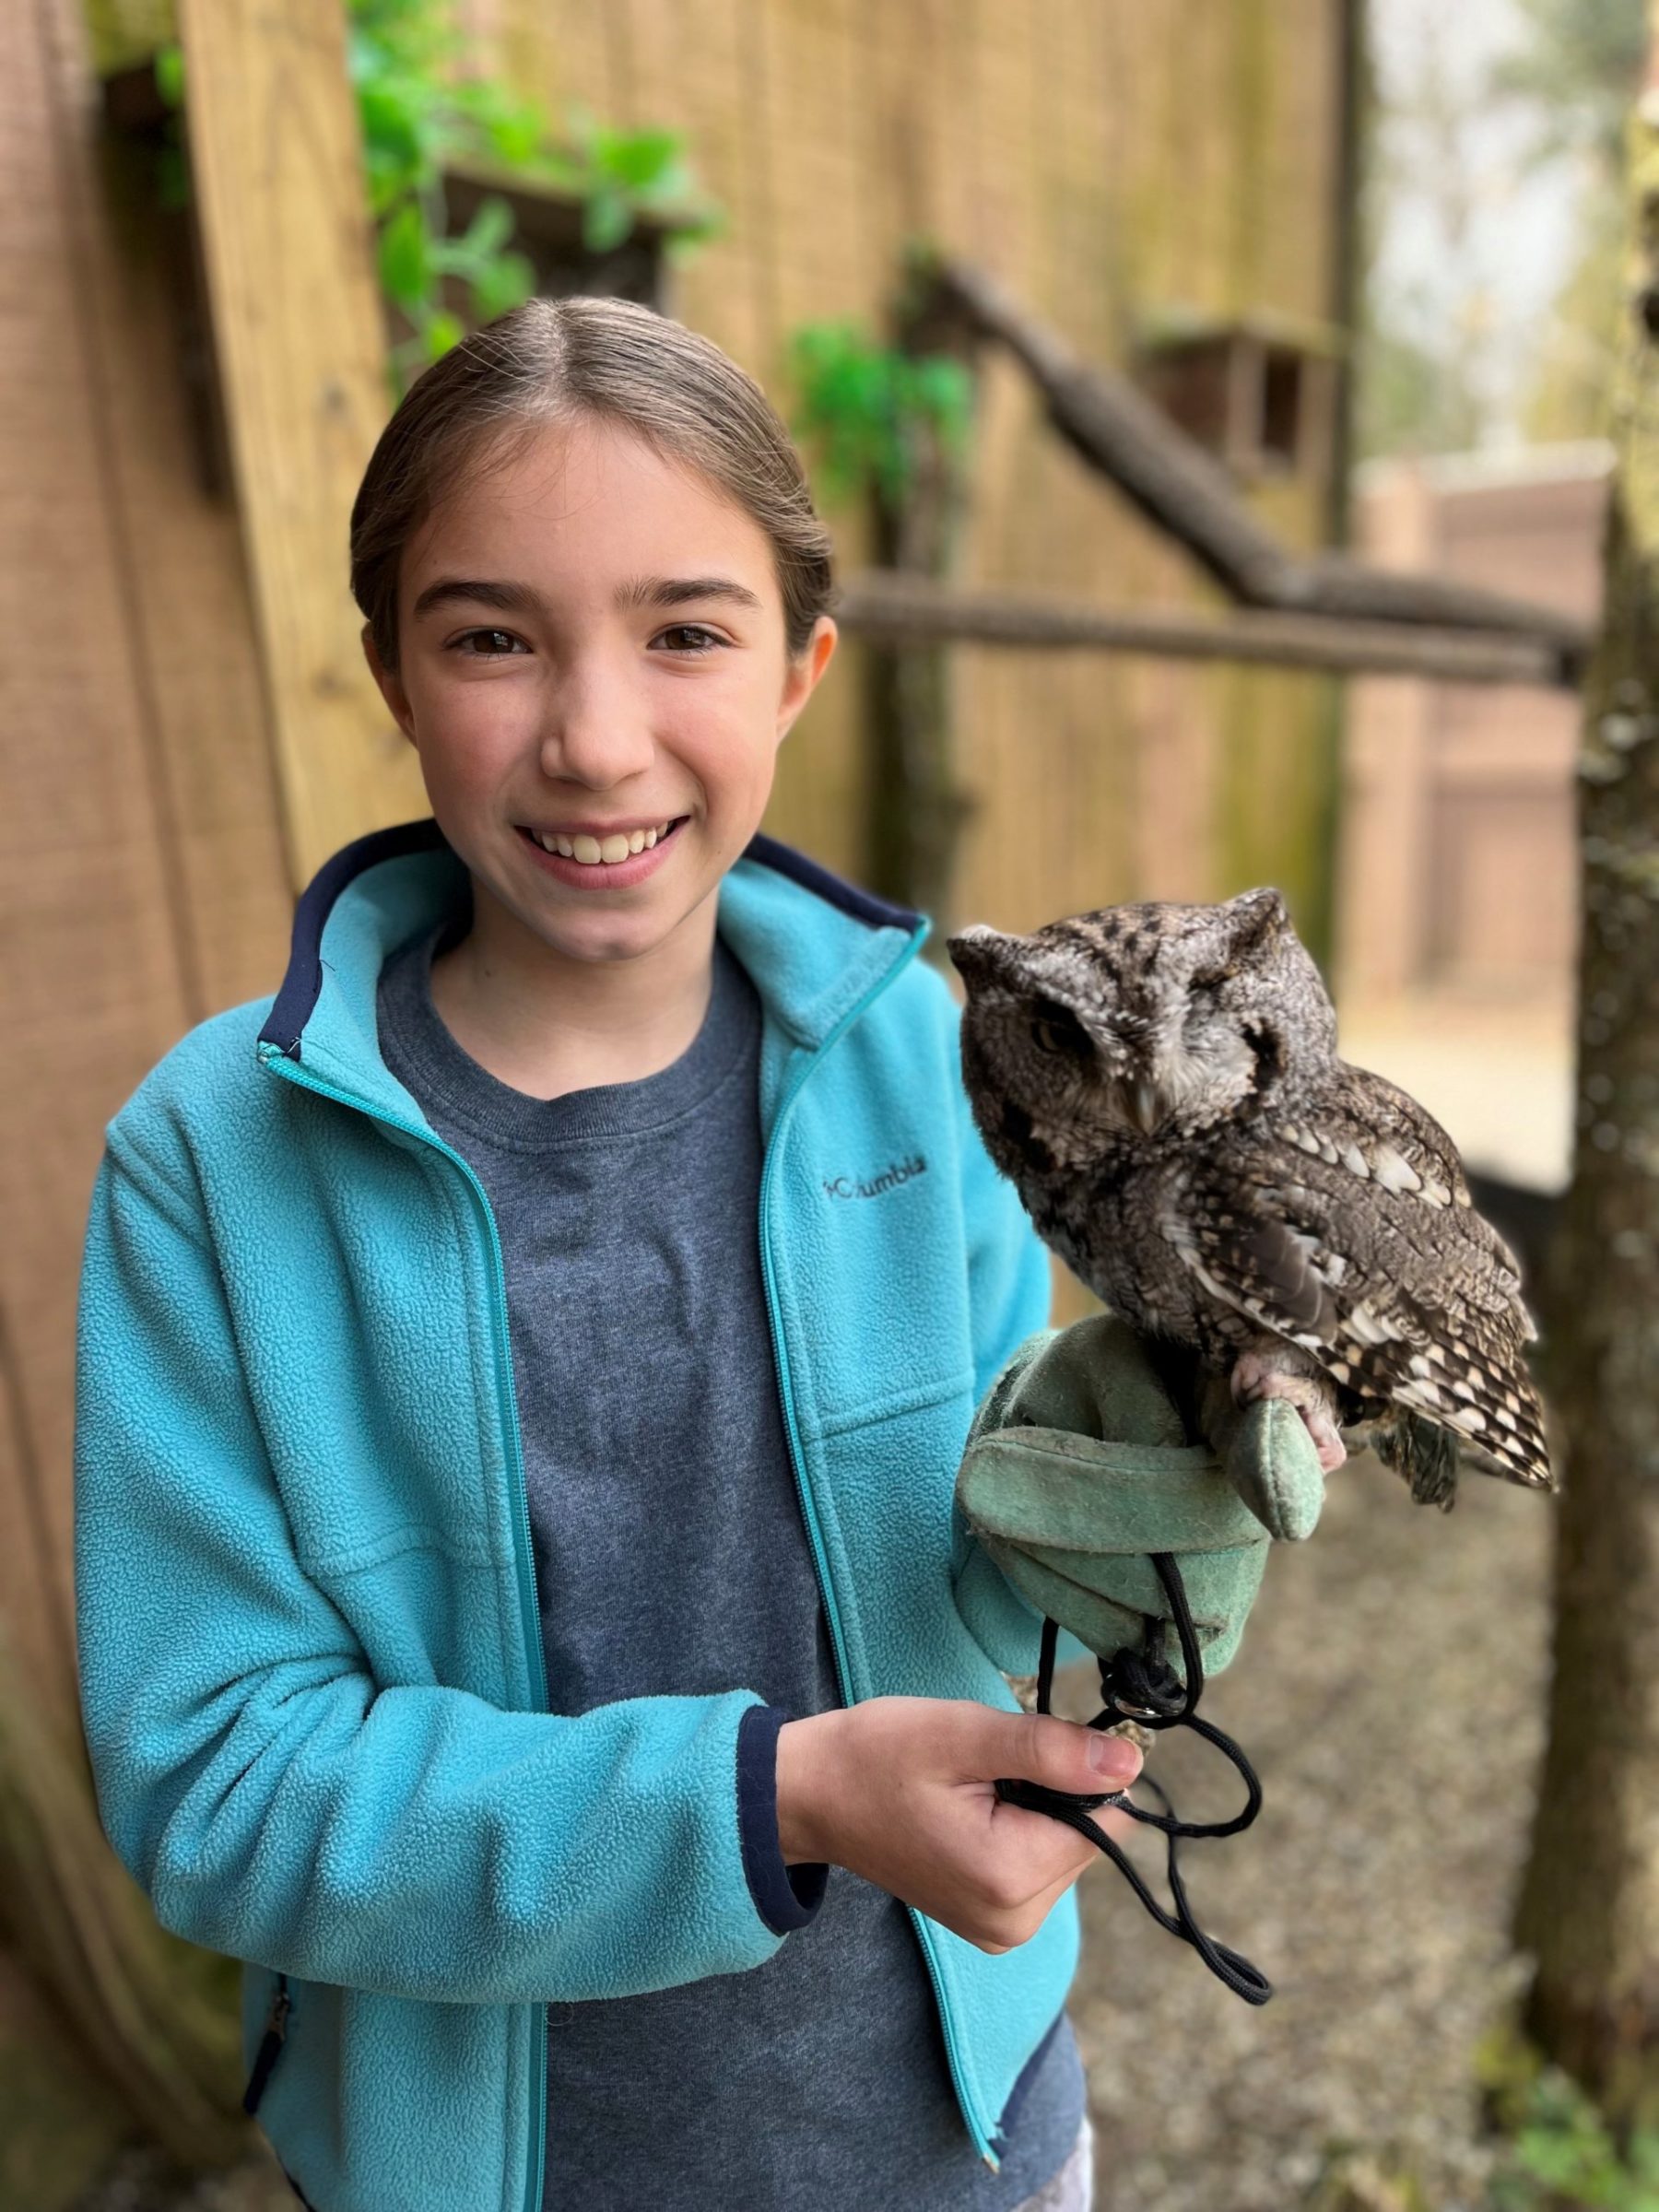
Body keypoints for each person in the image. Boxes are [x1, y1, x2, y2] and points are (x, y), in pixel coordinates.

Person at [74, 296, 1156, 2212]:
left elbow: (1024, 1582)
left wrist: (1168, 1522)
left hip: (970, 2158)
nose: (592, 740)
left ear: (803, 670)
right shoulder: (210, 1162)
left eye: (686, 634)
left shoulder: (947, 1062)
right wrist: (774, 1801)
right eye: (494, 636)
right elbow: (218, 1788)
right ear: (395, 677)